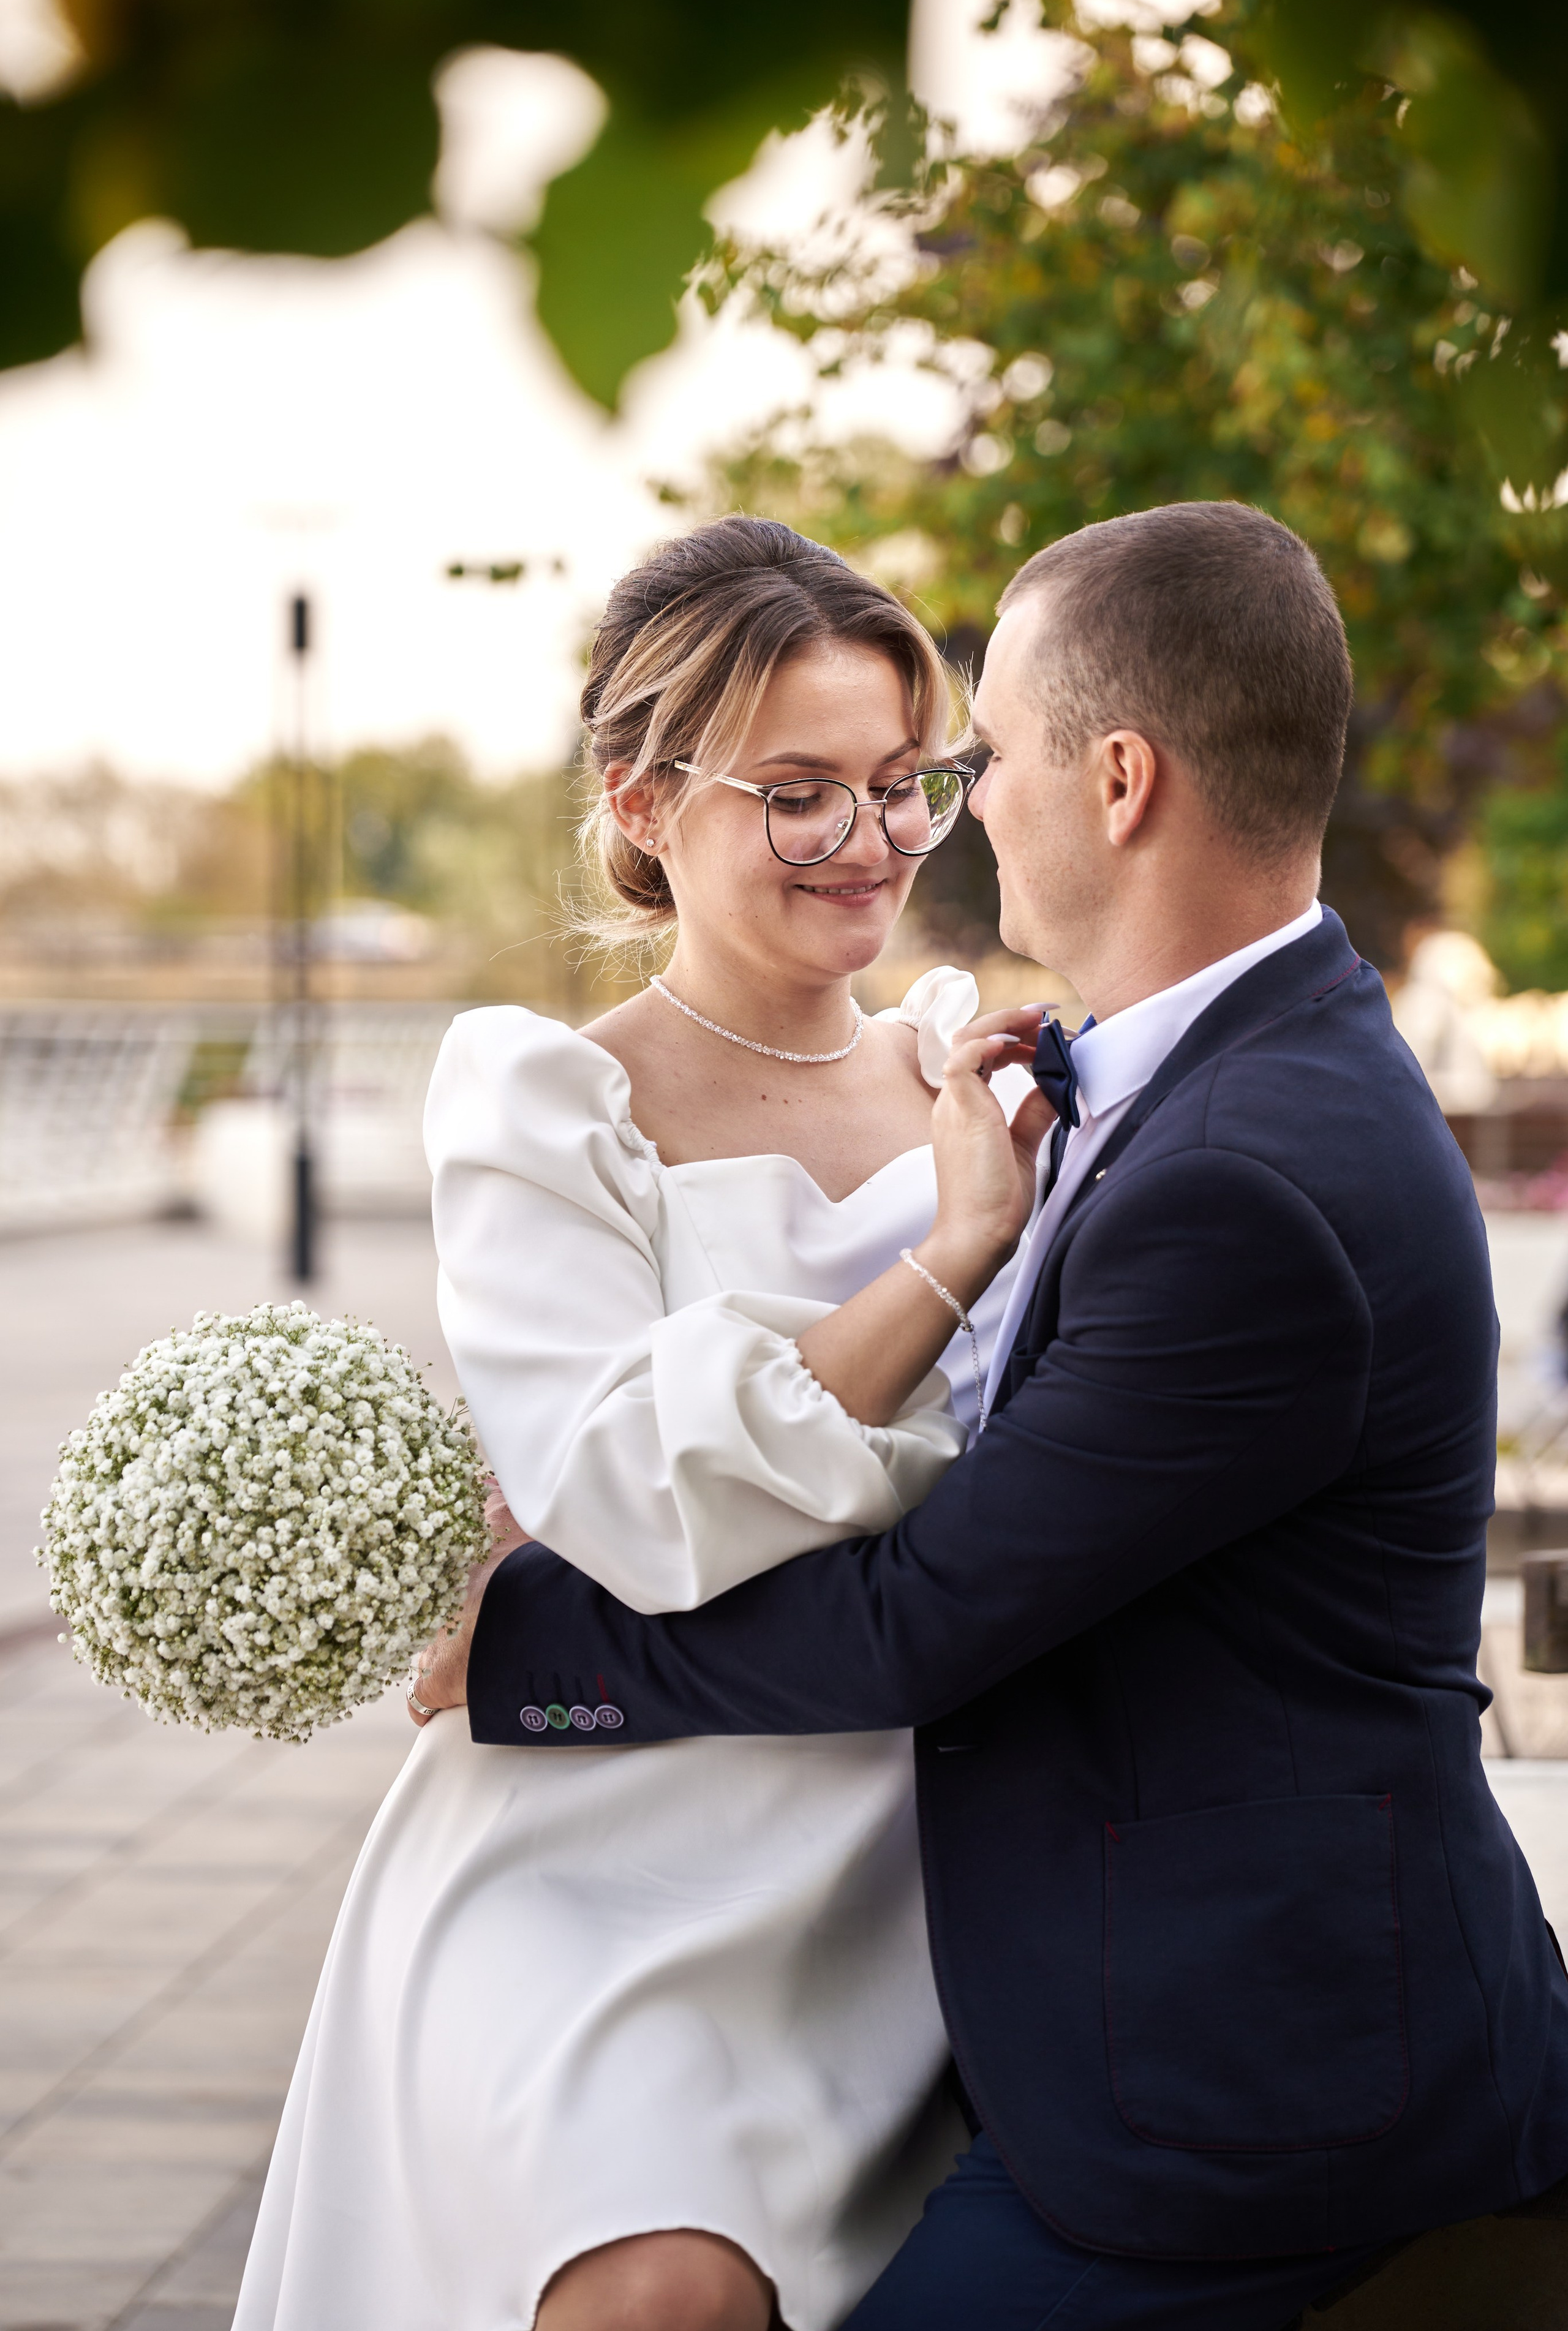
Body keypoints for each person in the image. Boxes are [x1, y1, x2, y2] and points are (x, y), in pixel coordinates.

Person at [436, 502, 1568, 2329]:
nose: (940, 819)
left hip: (1248, 2084)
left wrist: (527, 1646)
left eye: (969, 763)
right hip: (993, 1949)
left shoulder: (1244, 1173)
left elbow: (921, 1620)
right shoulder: (1171, 1076)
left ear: (1117, 778)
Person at [233, 515, 1049, 2331]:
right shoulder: (544, 1104)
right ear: (642, 794)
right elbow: (624, 1497)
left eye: (908, 785)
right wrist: (946, 1269)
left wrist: (728, 1446)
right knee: (652, 2284)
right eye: (802, 792)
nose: (874, 845)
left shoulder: (975, 1076)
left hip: (881, 1861)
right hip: (583, 1856)